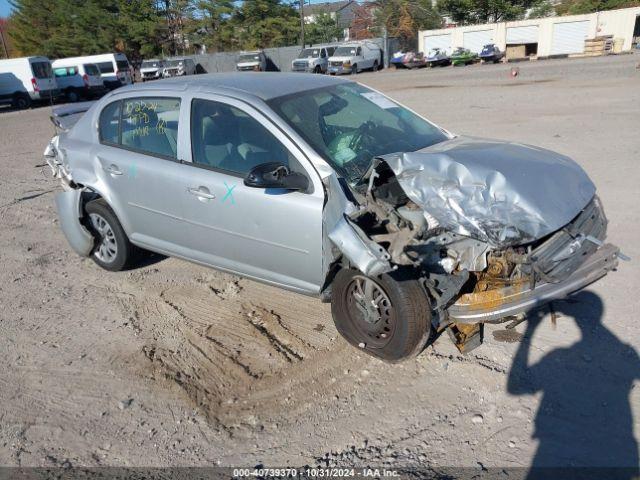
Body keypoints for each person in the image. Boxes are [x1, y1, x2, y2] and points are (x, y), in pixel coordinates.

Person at [507, 291, 639, 479]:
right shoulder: (626, 351)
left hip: (552, 448)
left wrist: (531, 328)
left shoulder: (558, 355)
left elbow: (514, 388)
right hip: (617, 444)